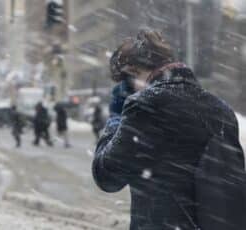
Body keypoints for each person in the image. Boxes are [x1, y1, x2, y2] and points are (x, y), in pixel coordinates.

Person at [92, 30, 246, 230]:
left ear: (133, 72)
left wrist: (115, 119)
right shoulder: (221, 110)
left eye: (125, 81)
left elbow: (107, 177)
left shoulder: (145, 106)